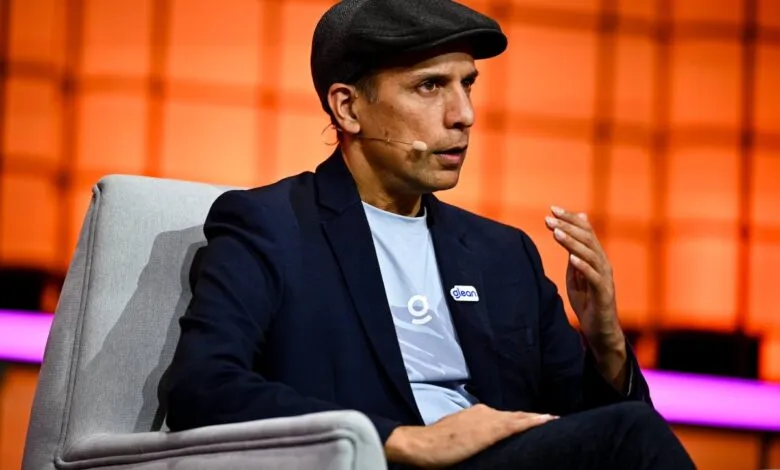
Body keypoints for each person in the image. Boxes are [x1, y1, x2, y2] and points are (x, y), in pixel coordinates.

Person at [165, 1, 696, 468]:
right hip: (380, 463)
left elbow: (591, 435)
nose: (463, 115)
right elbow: (205, 386)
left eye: (467, 84)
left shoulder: (503, 254)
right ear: (348, 108)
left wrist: (606, 345)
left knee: (630, 429)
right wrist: (404, 441)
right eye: (429, 86)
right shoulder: (271, 226)